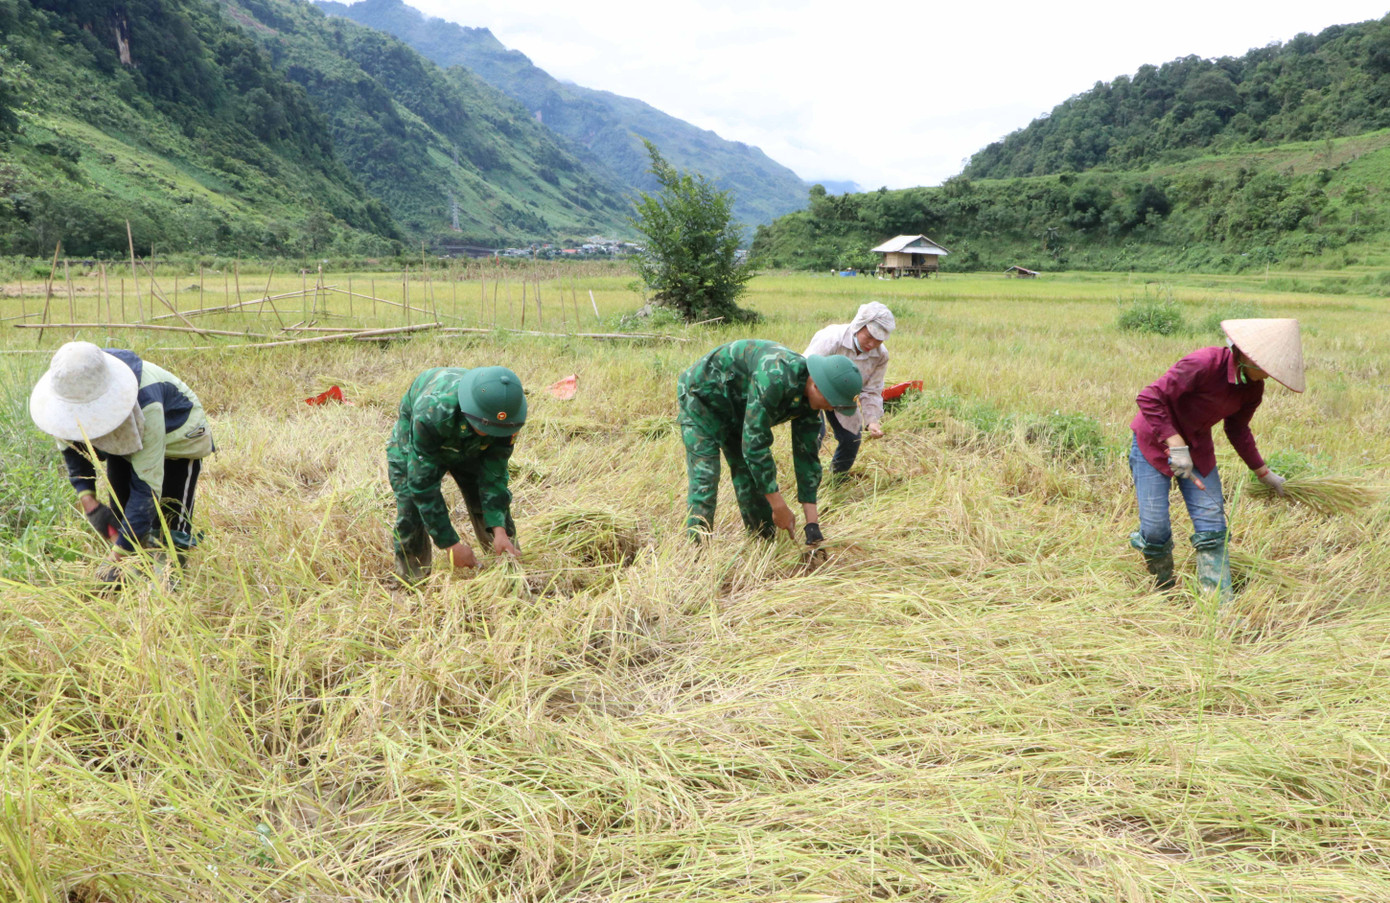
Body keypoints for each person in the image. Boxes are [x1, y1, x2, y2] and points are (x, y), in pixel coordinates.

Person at [1128, 318, 1304, 599]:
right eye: (1267, 370)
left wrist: (1263, 473)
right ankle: (1162, 588)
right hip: (1153, 442)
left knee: (1212, 528)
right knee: (1155, 528)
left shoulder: (1252, 389)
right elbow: (1150, 397)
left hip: (1197, 449)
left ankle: (1219, 604)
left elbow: (1237, 429)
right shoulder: (1204, 363)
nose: (1269, 377)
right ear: (1248, 357)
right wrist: (1175, 444)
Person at [29, 342, 214, 585]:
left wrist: (113, 559)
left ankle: (170, 589)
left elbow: (147, 489)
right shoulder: (67, 391)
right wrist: (89, 502)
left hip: (177, 441)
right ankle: (135, 575)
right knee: (123, 511)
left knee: (168, 525)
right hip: (123, 440)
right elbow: (72, 447)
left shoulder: (146, 401)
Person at [677, 339, 863, 543]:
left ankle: (763, 542)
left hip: (739, 409)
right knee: (706, 476)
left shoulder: (810, 403)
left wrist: (812, 525)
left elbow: (807, 457)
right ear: (817, 387)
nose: (830, 410)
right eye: (832, 403)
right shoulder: (775, 376)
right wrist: (778, 506)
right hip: (702, 400)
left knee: (751, 476)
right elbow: (755, 446)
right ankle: (696, 550)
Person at [387, 365, 526, 584]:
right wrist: (451, 546)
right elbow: (422, 486)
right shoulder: (432, 413)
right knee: (410, 506)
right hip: (419, 442)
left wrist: (499, 530)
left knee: (486, 500)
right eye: (488, 428)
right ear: (471, 413)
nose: (494, 434)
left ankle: (507, 566)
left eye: (499, 430)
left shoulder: (506, 419)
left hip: (471, 445)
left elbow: (494, 476)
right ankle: (412, 580)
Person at [804, 301, 895, 476]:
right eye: (869, 336)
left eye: (878, 340)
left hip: (844, 397)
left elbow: (872, 390)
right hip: (814, 391)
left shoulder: (880, 355)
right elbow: (806, 369)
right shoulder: (832, 337)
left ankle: (835, 480)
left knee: (852, 437)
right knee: (815, 434)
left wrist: (872, 420)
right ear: (858, 326)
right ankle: (808, 480)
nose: (872, 343)